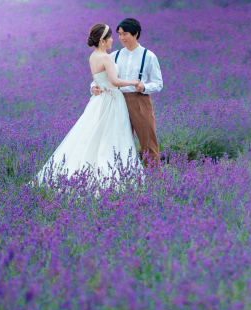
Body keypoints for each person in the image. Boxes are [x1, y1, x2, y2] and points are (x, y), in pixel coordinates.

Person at [37, 23, 141, 186]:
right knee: (111, 135)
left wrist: (95, 87)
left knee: (93, 134)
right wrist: (133, 82)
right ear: (102, 41)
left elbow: (99, 79)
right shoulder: (106, 57)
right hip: (112, 99)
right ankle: (113, 174)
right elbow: (114, 81)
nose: (113, 40)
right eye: (110, 37)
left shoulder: (93, 57)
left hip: (99, 100)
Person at [91, 18, 163, 167]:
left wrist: (144, 87)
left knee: (148, 141)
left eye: (125, 34)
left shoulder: (148, 56)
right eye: (119, 34)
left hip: (139, 101)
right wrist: (93, 87)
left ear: (135, 34)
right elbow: (101, 78)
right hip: (116, 100)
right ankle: (122, 179)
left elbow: (158, 83)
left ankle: (155, 181)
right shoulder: (114, 55)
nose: (121, 38)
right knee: (116, 142)